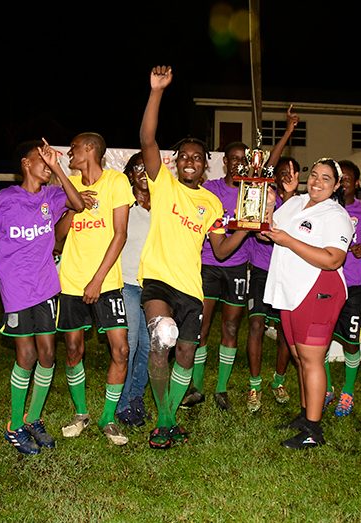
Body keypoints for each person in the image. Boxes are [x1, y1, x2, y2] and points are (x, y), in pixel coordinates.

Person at [138, 65, 250, 449]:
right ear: (175, 161)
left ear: (206, 166)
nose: (189, 161)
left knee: (186, 353)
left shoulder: (212, 201)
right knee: (163, 338)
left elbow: (219, 249)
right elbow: (147, 139)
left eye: (197, 158)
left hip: (191, 285)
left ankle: (169, 418)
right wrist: (157, 92)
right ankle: (164, 421)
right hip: (157, 280)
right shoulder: (163, 182)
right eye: (183, 156)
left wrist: (244, 228)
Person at [0, 139, 83, 455]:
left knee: (48, 354)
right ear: (25, 163)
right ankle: (14, 424)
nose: (47, 165)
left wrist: (59, 167)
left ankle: (33, 418)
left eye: (50, 161)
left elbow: (78, 204)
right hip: (16, 288)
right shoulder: (4, 200)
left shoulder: (52, 195)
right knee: (27, 356)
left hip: (46, 285)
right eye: (41, 160)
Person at [263, 158, 355, 449]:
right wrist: (265, 203)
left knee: (312, 359)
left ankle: (313, 431)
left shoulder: (336, 215)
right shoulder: (296, 202)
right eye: (314, 175)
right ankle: (305, 416)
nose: (317, 182)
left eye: (326, 178)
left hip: (319, 289)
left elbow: (333, 259)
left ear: (337, 185)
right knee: (298, 355)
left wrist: (289, 240)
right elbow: (270, 230)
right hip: (290, 290)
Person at [52, 132, 134, 446]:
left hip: (107, 282)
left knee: (121, 349)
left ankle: (108, 418)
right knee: (73, 349)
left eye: (72, 148)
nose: (69, 153)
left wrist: (98, 279)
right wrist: (74, 207)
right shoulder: (69, 187)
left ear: (89, 149)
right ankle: (81, 413)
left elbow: (120, 234)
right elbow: (58, 238)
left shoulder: (116, 182)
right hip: (71, 280)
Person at [181, 140, 252, 411]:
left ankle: (221, 388)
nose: (237, 163)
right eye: (233, 158)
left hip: (237, 266)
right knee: (202, 327)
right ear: (225, 162)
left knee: (232, 327)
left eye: (243, 159)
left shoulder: (252, 191)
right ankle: (196, 387)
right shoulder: (210, 189)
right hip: (208, 264)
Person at [243, 107, 300, 413]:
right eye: (280, 173)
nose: (285, 176)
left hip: (286, 273)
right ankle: (254, 388)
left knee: (284, 332)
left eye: (291, 174)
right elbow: (269, 163)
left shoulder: (303, 205)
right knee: (254, 326)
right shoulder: (264, 195)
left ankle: (278, 380)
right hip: (261, 271)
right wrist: (288, 132)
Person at [325, 160, 361, 418]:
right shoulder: (324, 209)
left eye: (348, 179)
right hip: (326, 282)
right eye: (339, 178)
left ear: (357, 183)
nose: (343, 183)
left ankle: (348, 392)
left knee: (352, 342)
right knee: (322, 339)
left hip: (353, 285)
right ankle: (327, 388)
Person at [114, 152, 153, 427]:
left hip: (155, 287)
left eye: (145, 167)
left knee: (151, 347)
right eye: (136, 167)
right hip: (127, 283)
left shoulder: (163, 207)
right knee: (130, 344)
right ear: (129, 174)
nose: (142, 171)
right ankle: (122, 403)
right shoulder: (123, 206)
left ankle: (136, 396)